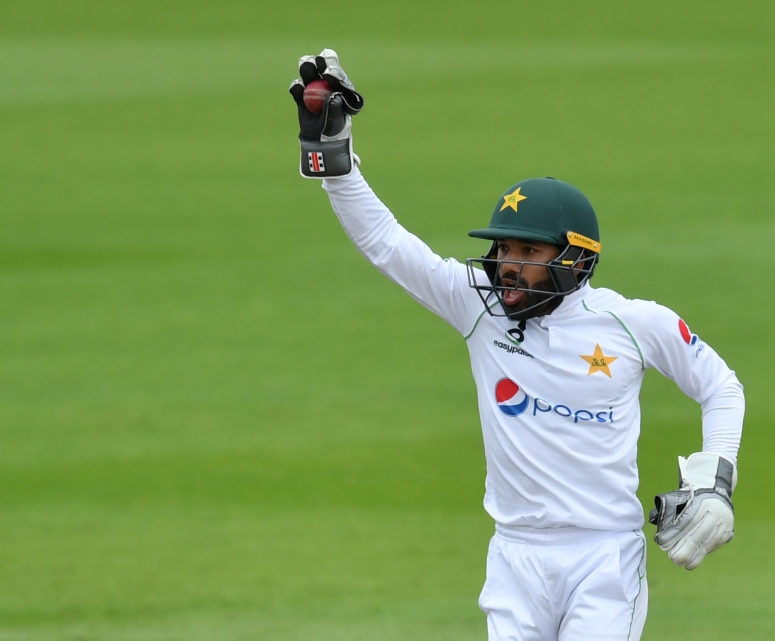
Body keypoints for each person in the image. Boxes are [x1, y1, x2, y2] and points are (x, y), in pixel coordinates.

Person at [290, 50, 744, 641]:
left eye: (527, 253)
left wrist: (714, 482)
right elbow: (385, 243)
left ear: (575, 259)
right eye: (504, 249)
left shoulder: (633, 323)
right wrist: (335, 155)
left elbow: (721, 386)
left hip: (604, 557)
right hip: (515, 556)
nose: (507, 265)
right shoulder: (476, 304)